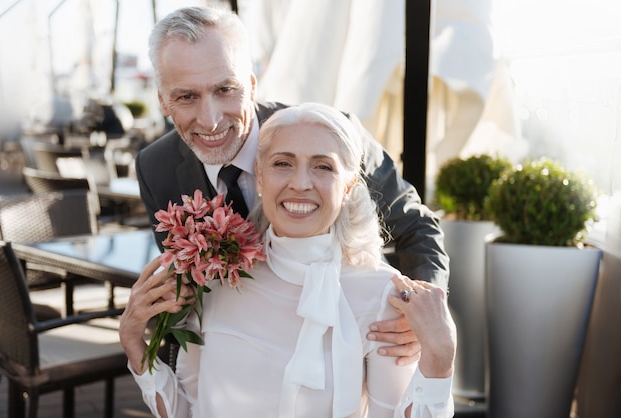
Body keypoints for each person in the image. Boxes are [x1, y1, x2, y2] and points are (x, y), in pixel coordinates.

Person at [135, 6, 448, 364]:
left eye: (225, 89)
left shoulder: (334, 135)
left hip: (338, 355)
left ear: (251, 85)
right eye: (186, 96)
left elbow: (417, 228)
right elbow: (187, 289)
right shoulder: (154, 166)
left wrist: (423, 313)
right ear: (162, 100)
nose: (210, 119)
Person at [120, 102, 456, 417]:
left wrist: (440, 360)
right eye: (283, 163)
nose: (300, 183)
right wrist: (133, 342)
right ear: (260, 177)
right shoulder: (218, 276)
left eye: (323, 166)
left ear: (350, 186)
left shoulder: (383, 294)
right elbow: (188, 410)